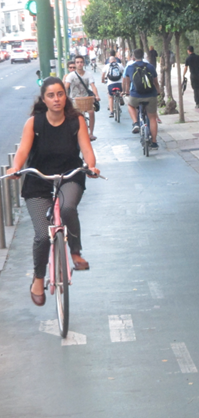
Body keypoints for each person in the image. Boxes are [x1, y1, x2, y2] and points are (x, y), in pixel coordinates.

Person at [8, 77, 100, 306]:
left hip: (69, 175)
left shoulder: (76, 120)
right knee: (41, 234)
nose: (56, 99)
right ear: (44, 99)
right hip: (39, 179)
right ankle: (38, 278)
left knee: (68, 207)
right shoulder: (34, 123)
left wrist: (91, 165)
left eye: (60, 94)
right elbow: (22, 152)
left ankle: (75, 252)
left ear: (65, 96)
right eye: (51, 95)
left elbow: (87, 149)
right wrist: (15, 168)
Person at [123, 48, 161, 149]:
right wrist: (158, 91)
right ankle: (154, 142)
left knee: (130, 105)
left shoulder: (130, 68)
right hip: (150, 95)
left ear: (133, 57)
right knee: (152, 118)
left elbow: (128, 83)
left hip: (136, 95)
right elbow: (155, 82)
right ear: (143, 57)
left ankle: (135, 123)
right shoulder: (150, 67)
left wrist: (127, 92)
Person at [65, 55, 100, 141]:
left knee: (91, 112)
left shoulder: (88, 74)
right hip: (75, 99)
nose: (79, 64)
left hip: (86, 99)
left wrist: (96, 95)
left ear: (83, 63)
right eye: (77, 62)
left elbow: (93, 86)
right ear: (75, 64)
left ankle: (91, 133)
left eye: (81, 62)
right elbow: (66, 87)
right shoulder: (71, 75)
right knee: (74, 115)